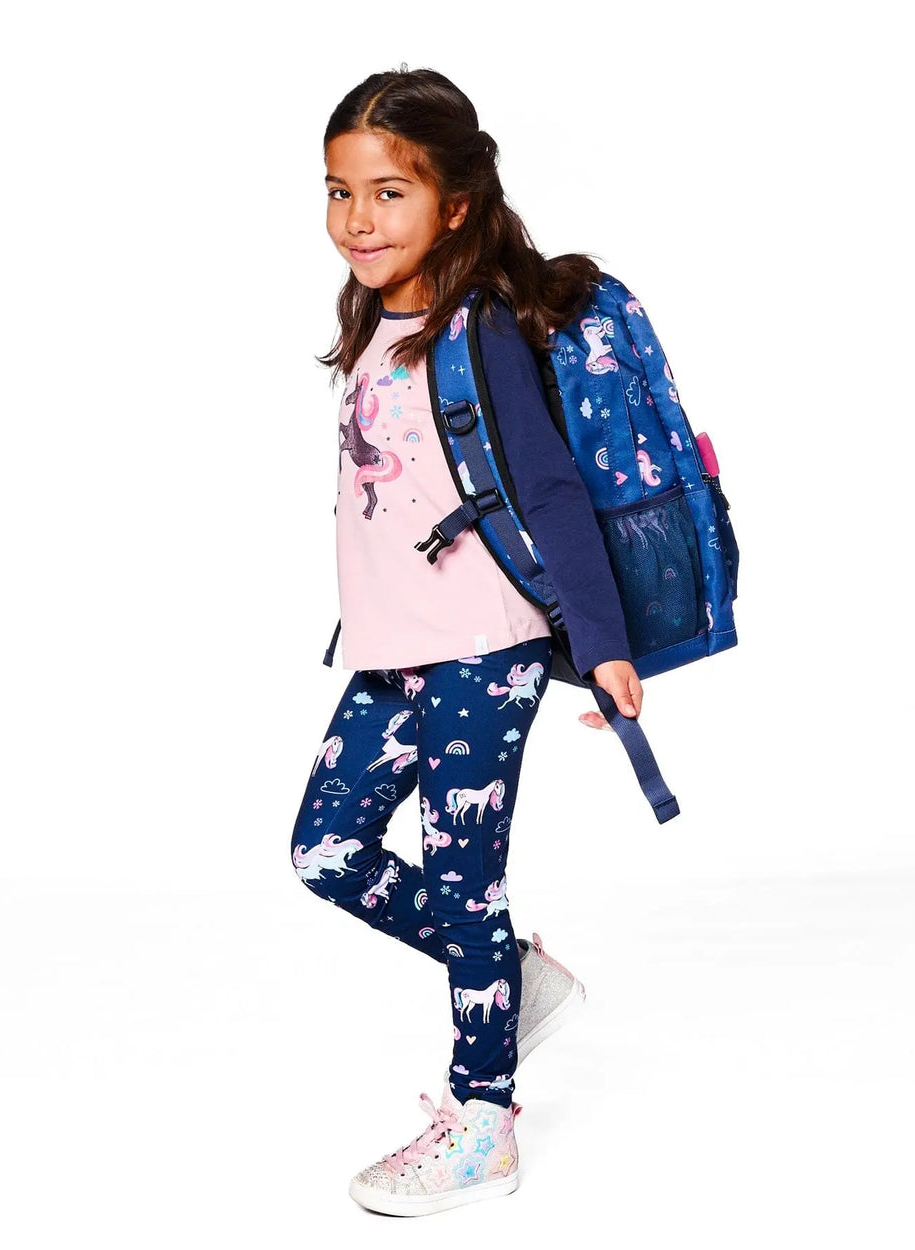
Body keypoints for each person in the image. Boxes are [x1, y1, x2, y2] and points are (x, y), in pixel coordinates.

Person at [289, 66, 644, 1218]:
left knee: (462, 879)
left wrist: (602, 644)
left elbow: (548, 487)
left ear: (453, 204)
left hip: (482, 649)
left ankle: (481, 1120)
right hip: (391, 650)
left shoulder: (477, 326)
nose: (357, 218)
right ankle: (515, 978)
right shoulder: (372, 317)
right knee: (325, 849)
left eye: (387, 192)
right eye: (339, 191)